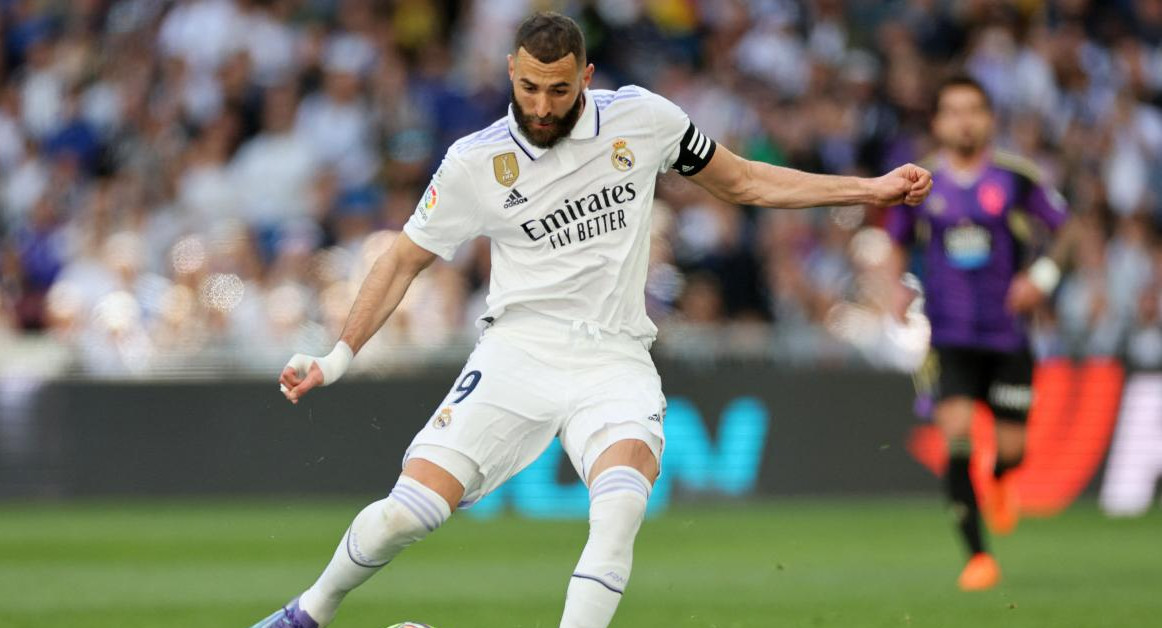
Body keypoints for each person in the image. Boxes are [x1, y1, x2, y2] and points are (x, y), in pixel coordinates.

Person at [253, 12, 932, 628]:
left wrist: (867, 189)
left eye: (557, 89)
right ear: (509, 76)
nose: (541, 106)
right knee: (405, 516)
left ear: (587, 76)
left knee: (619, 511)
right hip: (516, 353)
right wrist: (336, 355)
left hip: (614, 359)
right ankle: (307, 613)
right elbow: (403, 260)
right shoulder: (474, 162)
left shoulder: (643, 120)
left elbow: (746, 180)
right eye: (528, 88)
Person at [886, 74, 1072, 592]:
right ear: (939, 121)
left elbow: (1068, 231)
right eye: (954, 110)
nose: (965, 120)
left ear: (989, 119)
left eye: (974, 110)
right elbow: (894, 244)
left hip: (1009, 335)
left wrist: (1042, 277)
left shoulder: (1017, 178)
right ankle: (978, 558)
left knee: (1012, 449)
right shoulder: (920, 182)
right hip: (948, 334)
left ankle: (1001, 480)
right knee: (958, 433)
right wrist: (899, 289)